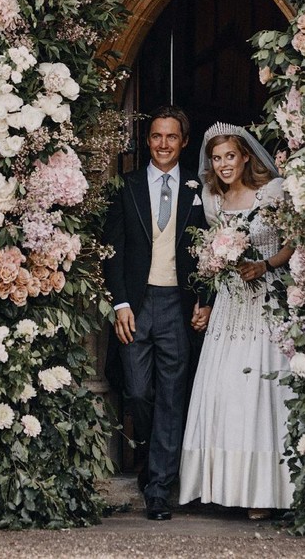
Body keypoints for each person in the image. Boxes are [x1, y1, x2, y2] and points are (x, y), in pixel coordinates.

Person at [179, 122, 295, 518]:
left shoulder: (272, 192)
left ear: (246, 156)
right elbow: (212, 262)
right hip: (230, 305)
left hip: (267, 300)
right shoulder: (212, 200)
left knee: (262, 393)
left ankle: (264, 492)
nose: (224, 164)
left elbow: (292, 242)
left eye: (230, 156)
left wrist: (264, 263)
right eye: (217, 158)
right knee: (226, 390)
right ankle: (224, 485)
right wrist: (207, 300)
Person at [103, 105, 211, 522]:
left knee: (171, 397)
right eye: (156, 136)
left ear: (184, 142)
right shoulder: (126, 186)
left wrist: (203, 299)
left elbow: (209, 254)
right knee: (138, 392)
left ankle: (159, 488)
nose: (163, 144)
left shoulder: (197, 190)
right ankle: (150, 459)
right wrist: (120, 303)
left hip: (176, 306)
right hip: (136, 303)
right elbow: (112, 251)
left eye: (171, 137)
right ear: (146, 141)